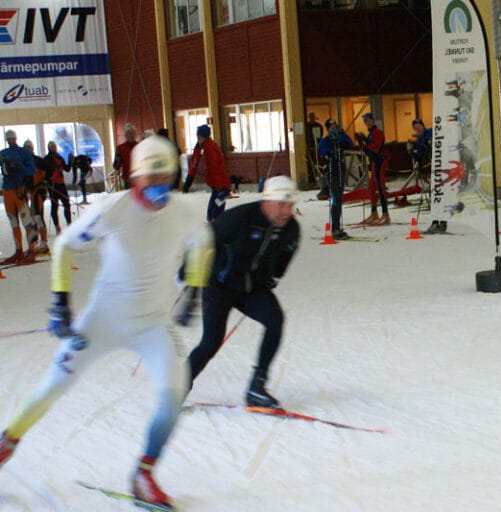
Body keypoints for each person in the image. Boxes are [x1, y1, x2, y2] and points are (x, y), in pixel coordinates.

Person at [0, 135, 214, 510]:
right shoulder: (112, 209)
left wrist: (194, 289)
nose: (161, 187)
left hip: (153, 323)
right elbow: (65, 245)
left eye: (167, 177)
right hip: (101, 321)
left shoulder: (182, 210)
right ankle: (7, 442)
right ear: (136, 178)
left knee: (173, 393)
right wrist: (60, 302)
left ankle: (144, 473)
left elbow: (204, 243)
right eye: (152, 179)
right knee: (52, 387)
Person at [187, 175, 300, 409]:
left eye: (290, 205)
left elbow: (285, 256)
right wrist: (190, 286)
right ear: (267, 202)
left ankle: (257, 387)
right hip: (219, 285)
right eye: (282, 204)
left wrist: (273, 276)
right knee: (211, 342)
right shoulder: (239, 219)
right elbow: (203, 242)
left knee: (274, 320)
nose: (287, 211)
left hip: (251, 288)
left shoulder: (290, 229)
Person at [0, 129, 39, 264]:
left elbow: (32, 170)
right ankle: (18, 250)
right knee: (13, 222)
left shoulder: (24, 153)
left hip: (19, 190)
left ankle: (31, 250)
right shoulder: (3, 153)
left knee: (27, 221)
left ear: (16, 138)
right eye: (8, 138)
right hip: (7, 190)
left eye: (12, 138)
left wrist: (18, 166)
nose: (10, 140)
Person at [183, 124, 232, 222]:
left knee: (216, 209)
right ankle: (214, 224)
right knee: (213, 208)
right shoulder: (208, 146)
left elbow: (214, 168)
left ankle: (217, 227)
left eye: (197, 136)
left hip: (220, 186)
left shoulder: (209, 148)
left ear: (201, 136)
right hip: (218, 185)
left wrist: (218, 186)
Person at [318, 119, 354, 240]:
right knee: (335, 197)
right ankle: (334, 228)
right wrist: (330, 152)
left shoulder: (339, 139)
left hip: (340, 170)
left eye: (336, 126)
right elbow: (323, 153)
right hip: (332, 172)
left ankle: (337, 226)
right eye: (332, 127)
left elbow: (351, 144)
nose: (334, 129)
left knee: (339, 197)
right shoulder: (325, 141)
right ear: (328, 128)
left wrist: (343, 134)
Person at [355, 113, 389, 225]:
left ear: (373, 121)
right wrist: (362, 143)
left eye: (369, 120)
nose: (368, 122)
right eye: (366, 121)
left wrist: (367, 142)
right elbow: (368, 152)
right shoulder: (370, 134)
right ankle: (374, 212)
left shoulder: (378, 133)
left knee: (381, 187)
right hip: (374, 162)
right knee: (371, 188)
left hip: (381, 161)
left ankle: (386, 214)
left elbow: (376, 148)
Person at [22, 140, 51, 253]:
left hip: (38, 191)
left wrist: (43, 180)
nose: (27, 149)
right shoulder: (25, 162)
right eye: (26, 148)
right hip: (31, 192)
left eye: (29, 147)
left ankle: (43, 243)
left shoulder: (38, 160)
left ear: (32, 148)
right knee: (34, 216)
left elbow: (49, 170)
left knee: (37, 216)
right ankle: (37, 243)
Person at [43, 141, 72, 235]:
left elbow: (67, 169)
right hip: (53, 186)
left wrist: (70, 160)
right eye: (51, 147)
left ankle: (69, 224)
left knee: (67, 204)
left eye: (54, 146)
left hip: (61, 185)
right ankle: (57, 227)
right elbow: (45, 173)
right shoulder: (46, 159)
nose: (53, 148)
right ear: (49, 148)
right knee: (54, 206)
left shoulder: (59, 157)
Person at [113, 123, 139, 190]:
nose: (131, 135)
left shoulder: (140, 146)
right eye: (129, 133)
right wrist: (117, 162)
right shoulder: (120, 148)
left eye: (133, 133)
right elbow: (116, 165)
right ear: (126, 135)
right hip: (127, 178)